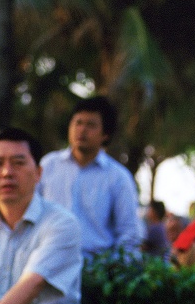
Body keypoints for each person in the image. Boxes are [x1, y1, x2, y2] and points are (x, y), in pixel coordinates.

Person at [0, 127, 83, 304]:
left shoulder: (61, 224)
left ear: (38, 173)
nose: (6, 172)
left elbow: (31, 284)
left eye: (18, 162)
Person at [38, 96, 144, 263]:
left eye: (91, 125)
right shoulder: (47, 166)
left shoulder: (118, 177)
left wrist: (112, 270)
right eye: (78, 122)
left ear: (105, 135)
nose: (82, 130)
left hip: (95, 271)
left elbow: (129, 232)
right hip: (45, 265)